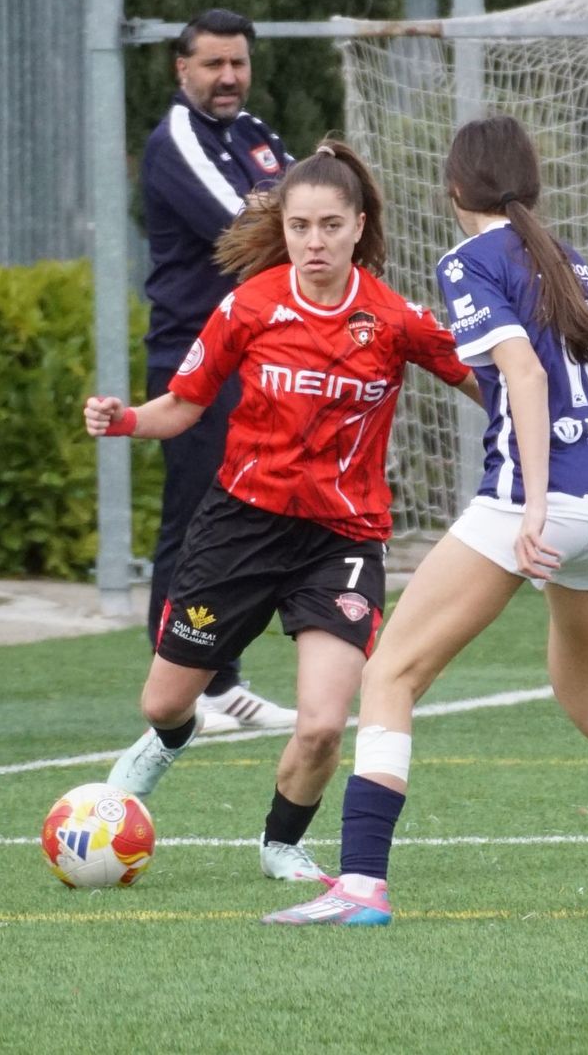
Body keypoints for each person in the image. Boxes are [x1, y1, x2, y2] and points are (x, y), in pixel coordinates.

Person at [266, 115, 588, 925]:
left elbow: (522, 376)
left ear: (456, 190)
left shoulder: (471, 261)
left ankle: (359, 885)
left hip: (531, 503)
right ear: (529, 184)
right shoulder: (581, 270)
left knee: (390, 674)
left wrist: (537, 507)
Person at [86, 139, 479, 883]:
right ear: (285, 228)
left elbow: (490, 383)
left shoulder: (393, 320)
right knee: (165, 700)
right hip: (239, 524)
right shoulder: (250, 306)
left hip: (341, 537)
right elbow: (183, 404)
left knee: (326, 722)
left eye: (330, 225)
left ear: (359, 226)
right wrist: (123, 419)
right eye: (300, 226)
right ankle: (169, 741)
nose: (314, 242)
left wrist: (548, 419)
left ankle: (279, 843)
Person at [139, 8, 299, 732]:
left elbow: (309, 206)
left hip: (261, 363)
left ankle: (224, 678)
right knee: (196, 523)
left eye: (237, 62)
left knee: (249, 522)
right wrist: (290, 216)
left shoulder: (257, 136)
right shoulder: (177, 139)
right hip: (195, 362)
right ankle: (177, 686)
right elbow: (258, 230)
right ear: (183, 69)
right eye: (212, 64)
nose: (228, 76)